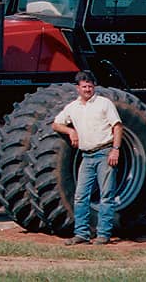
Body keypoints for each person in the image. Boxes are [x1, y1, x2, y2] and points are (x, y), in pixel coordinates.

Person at [51, 70, 122, 245]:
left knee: (106, 195)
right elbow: (55, 123)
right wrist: (70, 130)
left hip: (105, 153)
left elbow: (118, 126)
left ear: (94, 86)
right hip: (87, 156)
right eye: (84, 86)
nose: (87, 89)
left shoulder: (104, 103)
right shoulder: (73, 107)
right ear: (78, 88)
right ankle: (81, 234)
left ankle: (103, 234)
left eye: (90, 86)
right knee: (80, 196)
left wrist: (116, 149)